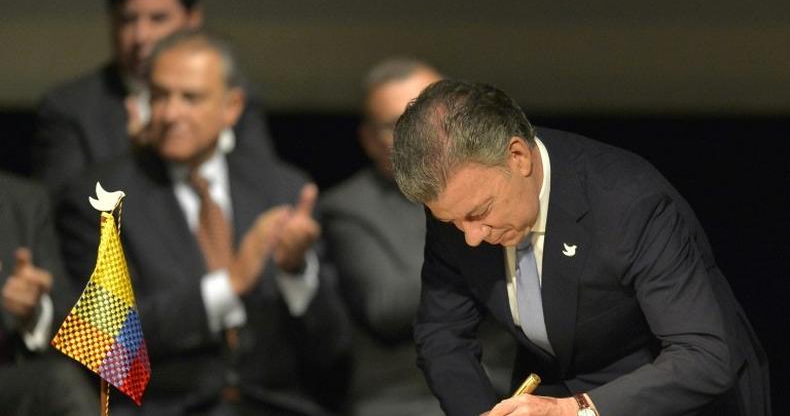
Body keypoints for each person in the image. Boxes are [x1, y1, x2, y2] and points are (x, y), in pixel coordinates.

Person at [391, 80, 770, 416]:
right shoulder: (460, 206)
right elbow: (442, 335)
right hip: (556, 395)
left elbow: (703, 357)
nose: (471, 236)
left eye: (480, 213)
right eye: (452, 222)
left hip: (667, 398)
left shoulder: (628, 203)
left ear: (518, 157)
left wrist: (577, 411)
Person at [56, 29, 351, 416]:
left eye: (190, 98)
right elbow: (104, 344)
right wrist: (229, 285)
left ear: (232, 106)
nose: (169, 113)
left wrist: (296, 272)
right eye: (159, 95)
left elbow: (335, 348)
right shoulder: (102, 198)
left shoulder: (282, 188)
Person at [319, 59, 516, 415]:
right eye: (397, 125)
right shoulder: (348, 207)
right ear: (367, 139)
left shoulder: (501, 184)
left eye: (435, 118)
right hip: (406, 400)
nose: (421, 135)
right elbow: (385, 305)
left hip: (507, 387)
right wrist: (489, 245)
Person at [34, 0, 273, 194]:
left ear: (193, 18)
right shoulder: (71, 107)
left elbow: (263, 188)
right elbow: (62, 213)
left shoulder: (232, 97)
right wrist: (139, 160)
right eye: (128, 19)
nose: (141, 36)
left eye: (158, 18)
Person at [0, 171, 95, 415]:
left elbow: (68, 325)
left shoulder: (23, 202)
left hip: (13, 375)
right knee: (60, 385)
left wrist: (34, 314)